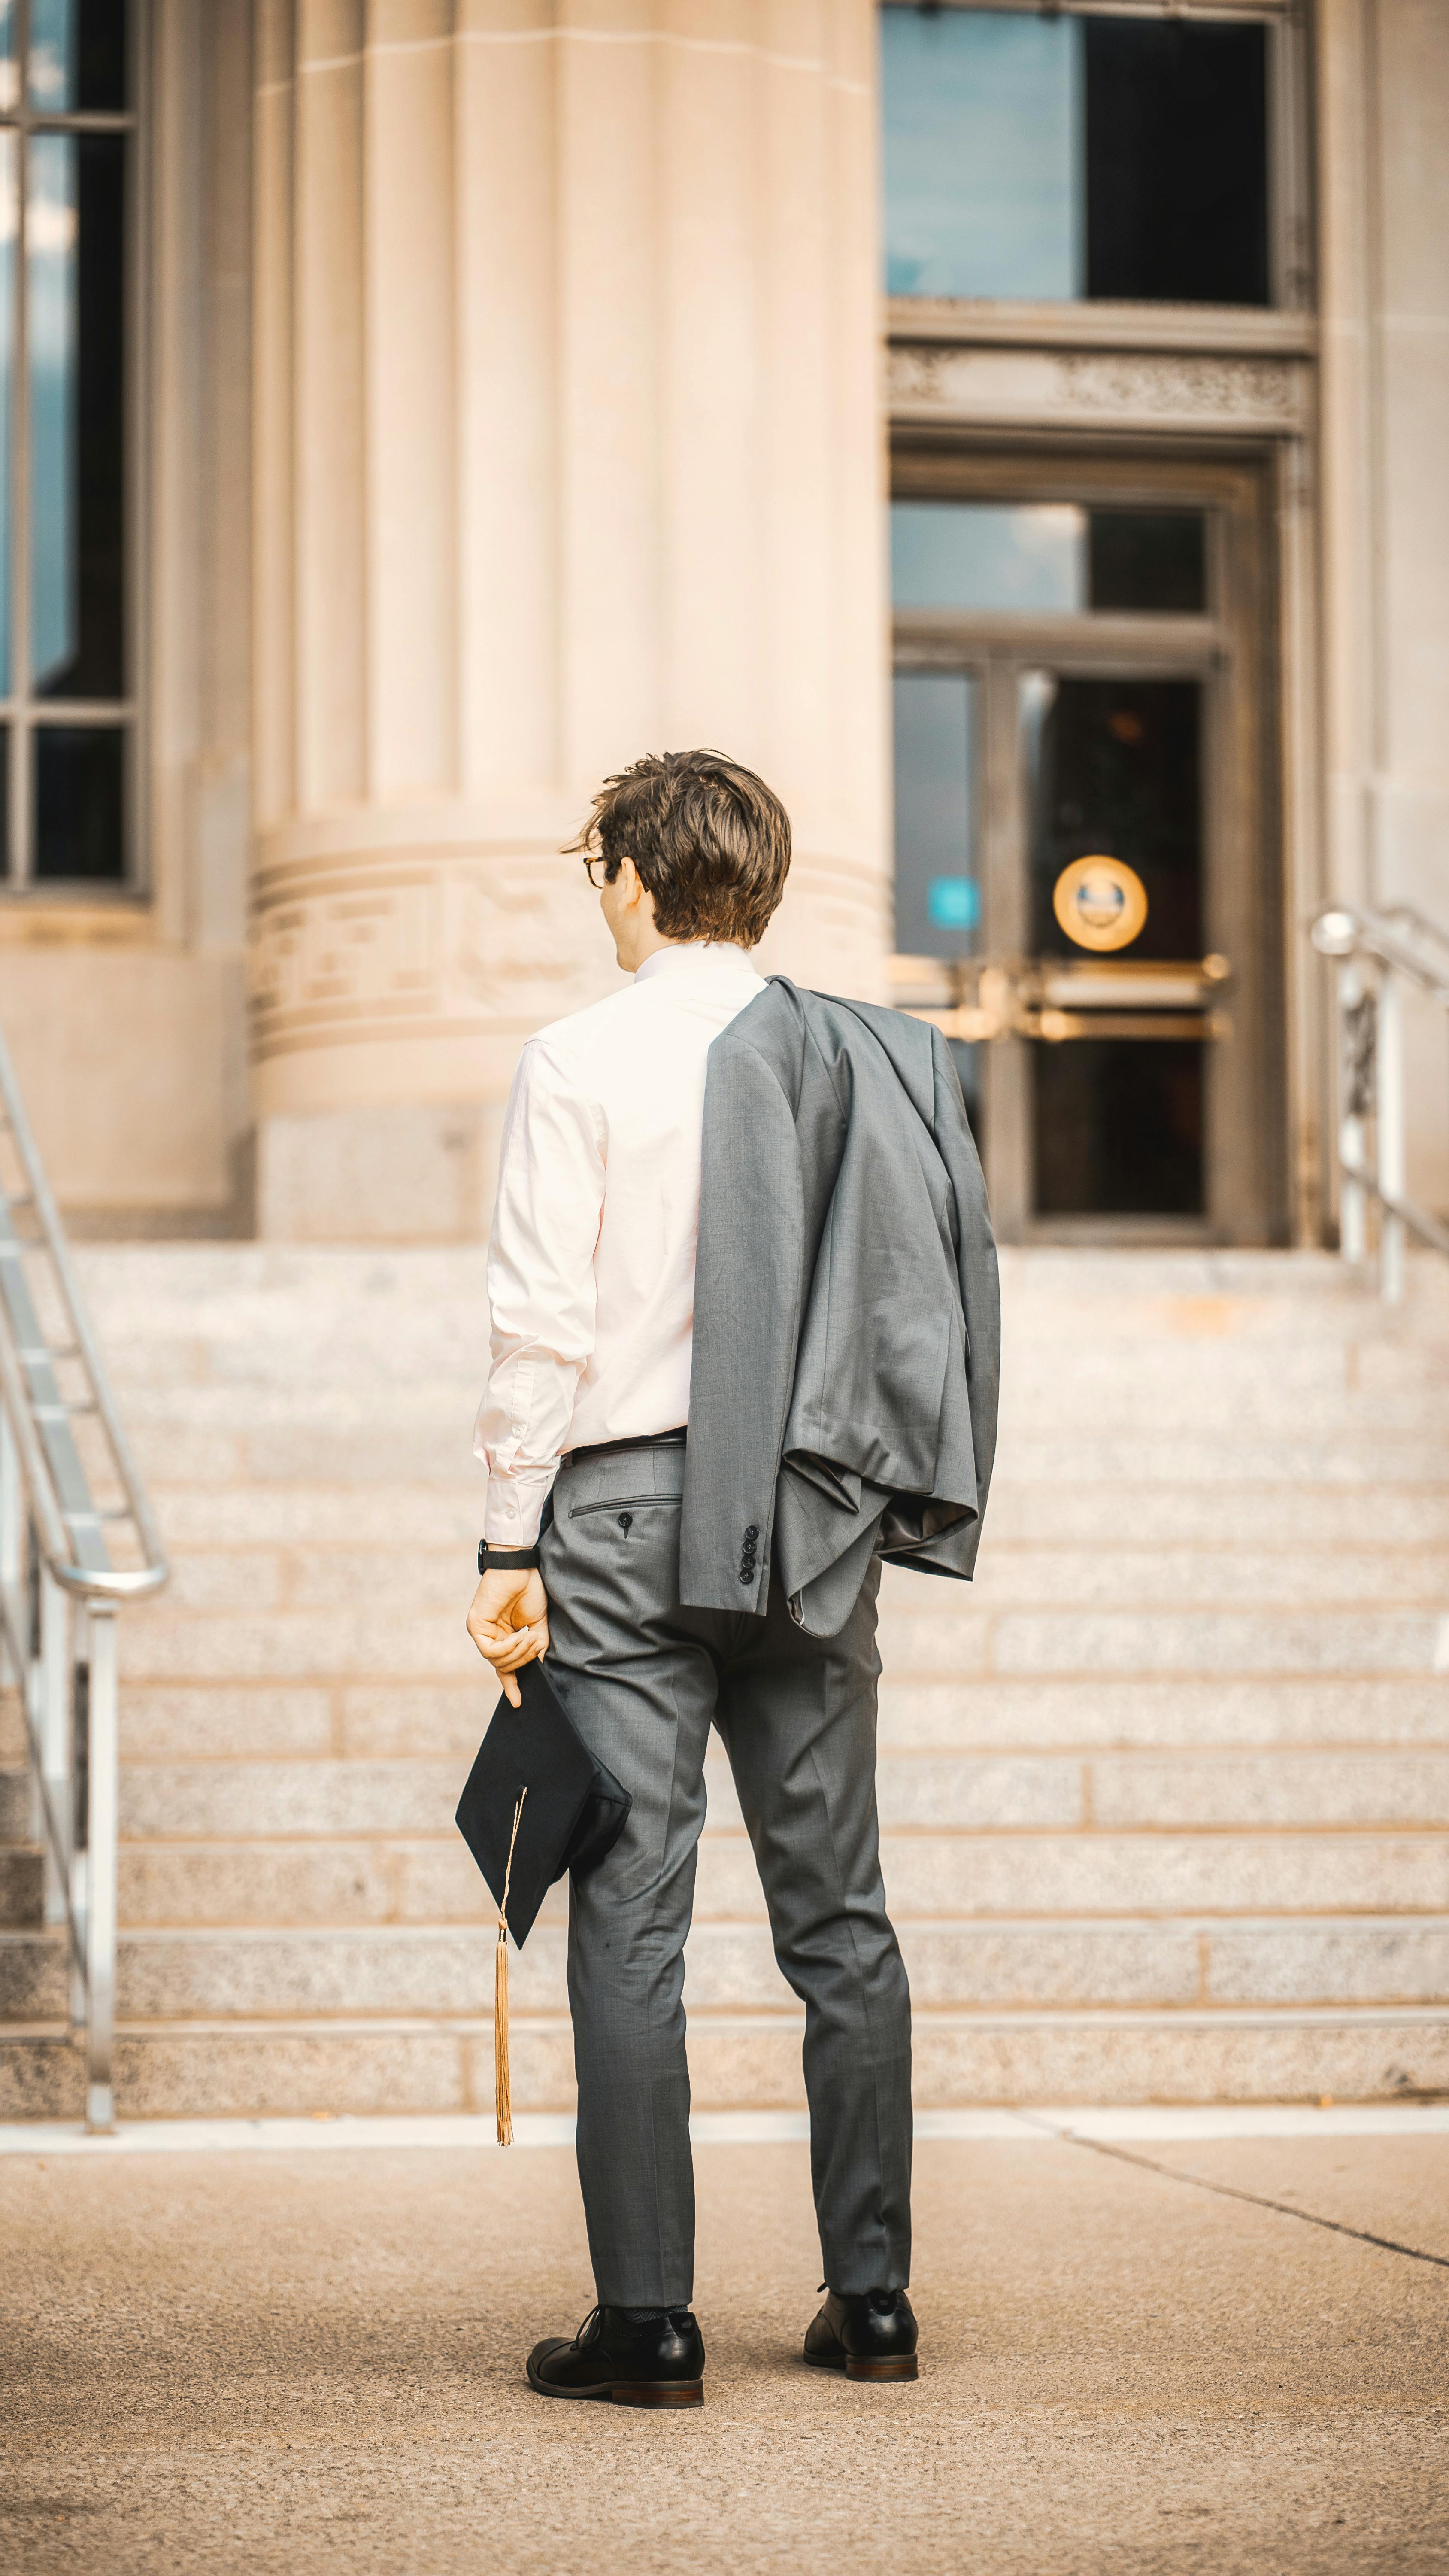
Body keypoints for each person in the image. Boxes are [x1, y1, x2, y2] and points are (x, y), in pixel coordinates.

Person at [467, 749, 998, 2407]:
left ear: (632, 872)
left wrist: (504, 1537)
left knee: (630, 1916)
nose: (601, 897)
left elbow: (542, 1326)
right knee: (840, 1916)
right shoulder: (869, 1055)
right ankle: (878, 2299)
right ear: (756, 886)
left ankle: (651, 2323)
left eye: (600, 870)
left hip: (623, 1516)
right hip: (816, 1504)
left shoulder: (580, 1055)